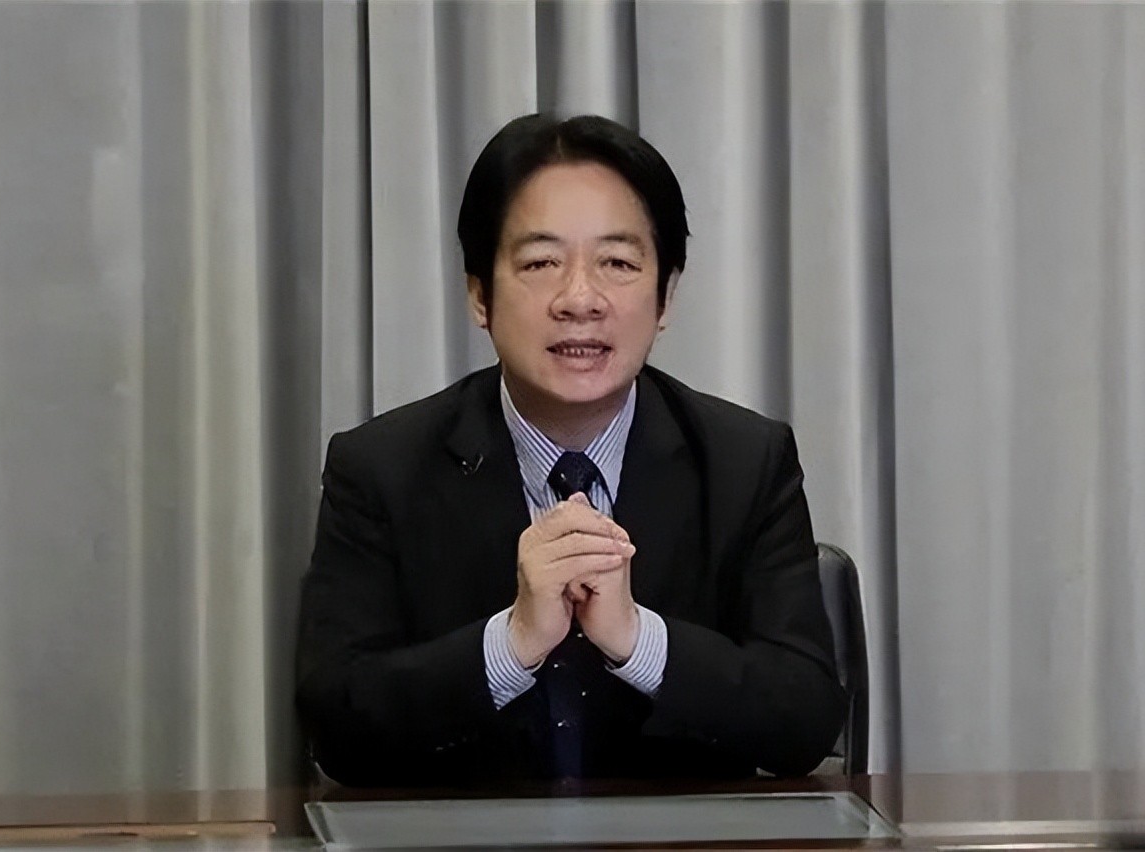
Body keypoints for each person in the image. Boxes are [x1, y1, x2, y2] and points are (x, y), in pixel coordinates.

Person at [295, 114, 846, 786]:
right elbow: (337, 727)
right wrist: (512, 643)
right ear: (479, 293)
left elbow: (806, 718)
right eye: (540, 263)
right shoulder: (380, 469)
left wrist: (638, 639)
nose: (580, 299)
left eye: (617, 263)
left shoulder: (745, 462)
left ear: (666, 296)